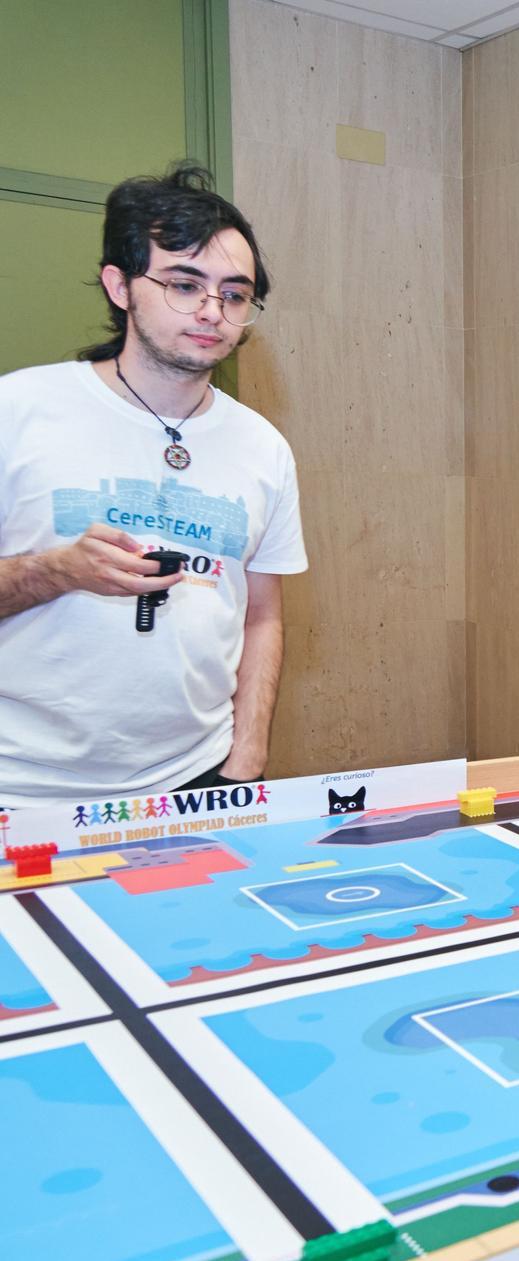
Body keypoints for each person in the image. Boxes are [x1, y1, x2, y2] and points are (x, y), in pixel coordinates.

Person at [0, 163, 306, 805]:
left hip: (196, 781)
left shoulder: (263, 448)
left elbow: (262, 613)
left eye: (234, 294)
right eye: (184, 283)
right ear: (120, 285)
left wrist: (245, 758)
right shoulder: (18, 410)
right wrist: (58, 571)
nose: (211, 311)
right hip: (22, 788)